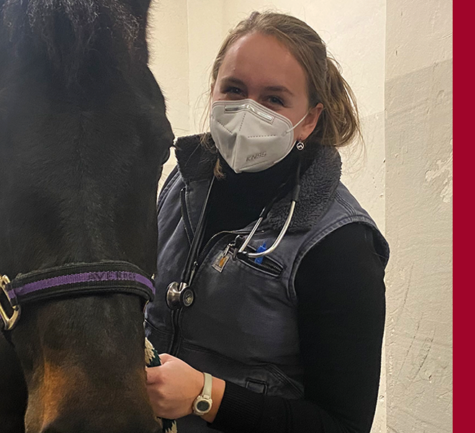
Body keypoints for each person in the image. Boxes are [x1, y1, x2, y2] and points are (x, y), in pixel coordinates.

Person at [144, 11, 389, 433]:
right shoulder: (181, 184)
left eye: (274, 99)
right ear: (214, 91)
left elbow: (343, 425)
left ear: (309, 120)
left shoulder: (340, 245)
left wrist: (207, 396)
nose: (246, 112)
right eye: (234, 90)